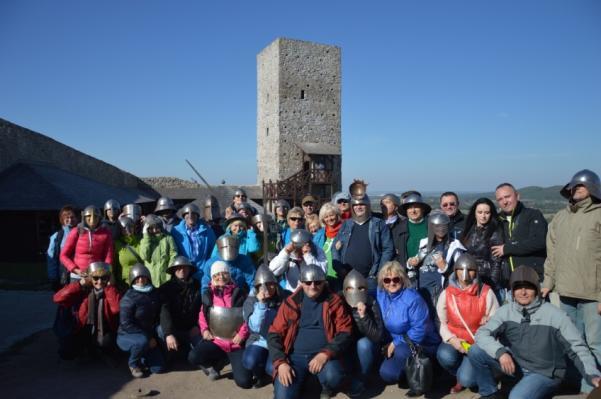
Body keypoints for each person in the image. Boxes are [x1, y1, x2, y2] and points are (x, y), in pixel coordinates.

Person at [468, 265, 601, 399]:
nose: (523, 292)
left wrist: (592, 375)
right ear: (513, 291)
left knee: (517, 398)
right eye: (518, 287)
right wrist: (500, 353)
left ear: (536, 290)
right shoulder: (505, 311)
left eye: (528, 287)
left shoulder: (555, 315)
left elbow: (577, 347)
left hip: (544, 373)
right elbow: (482, 333)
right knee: (476, 351)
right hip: (517, 367)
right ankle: (490, 394)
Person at [542, 169, 601, 393]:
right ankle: (578, 381)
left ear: (593, 188)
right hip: (566, 291)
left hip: (593, 293)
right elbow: (552, 253)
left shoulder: (599, 215)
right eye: (573, 187)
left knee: (595, 344)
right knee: (572, 341)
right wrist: (548, 281)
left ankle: (592, 389)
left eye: (581, 186)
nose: (575, 190)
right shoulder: (561, 217)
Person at [268, 264, 353, 399]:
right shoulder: (290, 303)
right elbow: (274, 334)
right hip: (294, 359)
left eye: (317, 282)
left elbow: (345, 331)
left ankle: (325, 386)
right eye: (308, 282)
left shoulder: (334, 301)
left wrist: (326, 354)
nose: (312, 286)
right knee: (283, 396)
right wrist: (281, 363)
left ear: (324, 282)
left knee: (334, 377)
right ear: (301, 283)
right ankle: (307, 384)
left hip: (323, 357)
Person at [436, 254, 499, 394]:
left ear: (476, 272)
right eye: (461, 269)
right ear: (455, 271)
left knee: (467, 380)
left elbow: (497, 319)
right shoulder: (447, 293)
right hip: (456, 340)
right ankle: (461, 374)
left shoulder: (486, 293)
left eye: (470, 269)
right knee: (444, 355)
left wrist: (489, 320)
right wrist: (451, 339)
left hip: (476, 344)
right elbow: (441, 321)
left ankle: (472, 375)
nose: (465, 274)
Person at [376, 261, 441, 389]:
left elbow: (419, 331)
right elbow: (365, 292)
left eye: (396, 279)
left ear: (402, 278)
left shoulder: (412, 299)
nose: (391, 283)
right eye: (387, 280)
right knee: (387, 374)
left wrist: (395, 343)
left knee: (400, 352)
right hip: (401, 343)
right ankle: (409, 373)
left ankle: (429, 370)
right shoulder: (382, 294)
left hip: (423, 342)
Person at [188, 261, 253, 388]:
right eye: (217, 275)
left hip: (236, 344)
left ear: (229, 275)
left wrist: (242, 334)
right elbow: (202, 314)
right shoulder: (209, 295)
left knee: (244, 382)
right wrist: (205, 330)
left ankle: (227, 359)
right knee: (193, 357)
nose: (221, 277)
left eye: (224, 273)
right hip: (216, 341)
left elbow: (248, 316)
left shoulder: (239, 294)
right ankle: (220, 360)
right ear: (212, 278)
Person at [53, 261, 121, 360]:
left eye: (104, 278)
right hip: (83, 329)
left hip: (104, 330)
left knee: (107, 346)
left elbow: (116, 309)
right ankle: (86, 349)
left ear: (109, 279)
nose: (100, 282)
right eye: (95, 278)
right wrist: (79, 284)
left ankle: (98, 350)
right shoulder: (83, 291)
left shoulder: (111, 291)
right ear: (90, 278)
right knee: (67, 351)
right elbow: (57, 298)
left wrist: (110, 287)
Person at [332, 193, 395, 296]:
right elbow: (334, 248)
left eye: (362, 204)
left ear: (368, 205)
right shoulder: (346, 224)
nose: (358, 207)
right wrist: (339, 268)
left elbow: (388, 249)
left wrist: (379, 272)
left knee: (371, 308)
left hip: (370, 278)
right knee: (347, 308)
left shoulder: (378, 224)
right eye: (355, 205)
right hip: (346, 277)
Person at [408, 210, 465, 316]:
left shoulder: (455, 246)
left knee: (438, 318)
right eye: (437, 226)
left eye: (443, 226)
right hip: (422, 287)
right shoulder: (424, 244)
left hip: (439, 290)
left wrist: (445, 268)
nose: (441, 229)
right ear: (431, 227)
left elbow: (460, 274)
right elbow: (417, 260)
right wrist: (412, 262)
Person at [492, 183, 547, 283]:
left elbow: (539, 242)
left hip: (533, 280)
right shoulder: (496, 220)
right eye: (500, 199)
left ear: (517, 196)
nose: (504, 201)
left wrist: (507, 248)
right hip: (507, 283)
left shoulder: (533, 215)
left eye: (507, 197)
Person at [117, 263, 165, 378]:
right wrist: (148, 338)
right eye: (137, 277)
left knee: (158, 368)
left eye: (143, 276)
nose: (140, 279)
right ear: (132, 280)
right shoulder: (128, 298)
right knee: (141, 341)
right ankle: (133, 364)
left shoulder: (154, 293)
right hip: (127, 335)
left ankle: (142, 358)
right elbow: (125, 324)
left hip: (147, 334)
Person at [242, 266, 287, 388]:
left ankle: (274, 379)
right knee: (250, 361)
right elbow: (254, 328)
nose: (267, 288)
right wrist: (261, 305)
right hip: (259, 339)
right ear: (257, 287)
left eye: (270, 284)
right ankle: (260, 375)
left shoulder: (284, 297)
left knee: (272, 368)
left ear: (276, 284)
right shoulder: (251, 301)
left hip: (278, 341)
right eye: (263, 285)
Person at [341, 270, 384, 397]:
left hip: (368, 346)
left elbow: (377, 336)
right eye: (349, 288)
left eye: (360, 288)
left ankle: (361, 379)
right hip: (348, 344)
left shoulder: (371, 303)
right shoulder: (340, 302)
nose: (355, 291)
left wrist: (364, 316)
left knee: (363, 344)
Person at [158, 256, 202, 363]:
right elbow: (164, 311)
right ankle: (169, 355)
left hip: (192, 328)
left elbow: (202, 307)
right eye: (178, 268)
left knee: (202, 354)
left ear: (190, 269)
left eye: (185, 267)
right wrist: (168, 333)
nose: (182, 270)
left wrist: (197, 325)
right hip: (174, 328)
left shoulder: (197, 285)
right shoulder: (165, 288)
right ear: (173, 270)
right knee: (160, 330)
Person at [460, 198, 504, 298]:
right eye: (480, 212)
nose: (483, 216)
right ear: (474, 213)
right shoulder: (469, 229)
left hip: (486, 280)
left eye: (487, 213)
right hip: (469, 279)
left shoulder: (495, 233)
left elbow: (496, 263)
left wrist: (491, 287)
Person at [60, 205, 114, 281]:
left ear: (99, 218)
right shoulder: (76, 231)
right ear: (84, 217)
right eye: (88, 216)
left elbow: (108, 256)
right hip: (77, 276)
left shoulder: (105, 233)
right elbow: (63, 255)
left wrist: (105, 272)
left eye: (95, 216)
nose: (92, 219)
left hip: (97, 276)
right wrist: (75, 270)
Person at [171, 203, 216, 271]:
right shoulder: (176, 231)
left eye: (193, 214)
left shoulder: (208, 231)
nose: (190, 216)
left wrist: (208, 265)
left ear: (197, 216)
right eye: (187, 214)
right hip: (184, 269)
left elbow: (213, 251)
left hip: (203, 269)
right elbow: (173, 251)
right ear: (183, 216)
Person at [139, 214, 178, 287]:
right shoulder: (144, 241)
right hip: (151, 280)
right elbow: (144, 256)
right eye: (151, 228)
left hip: (165, 279)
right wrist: (146, 237)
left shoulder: (168, 238)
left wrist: (169, 273)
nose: (154, 230)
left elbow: (173, 254)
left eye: (157, 227)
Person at [400, 192, 431, 284]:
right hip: (406, 274)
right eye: (409, 207)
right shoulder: (398, 228)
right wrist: (407, 262)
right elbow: (395, 253)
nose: (413, 211)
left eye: (416, 207)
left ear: (423, 209)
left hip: (428, 272)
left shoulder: (432, 226)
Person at [47, 205, 78, 292]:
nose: (70, 220)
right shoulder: (57, 237)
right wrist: (53, 278)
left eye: (72, 217)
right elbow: (51, 257)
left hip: (79, 275)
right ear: (62, 219)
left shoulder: (83, 234)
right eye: (67, 217)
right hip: (63, 277)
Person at [113, 216, 143, 291]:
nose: (128, 230)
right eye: (124, 228)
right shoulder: (117, 244)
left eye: (130, 227)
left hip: (141, 280)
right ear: (120, 230)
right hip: (125, 283)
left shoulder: (141, 241)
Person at [319, 203, 343, 290]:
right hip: (324, 277)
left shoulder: (345, 230)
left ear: (337, 215)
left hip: (340, 277)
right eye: (326, 217)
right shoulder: (321, 234)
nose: (329, 219)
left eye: (332, 215)